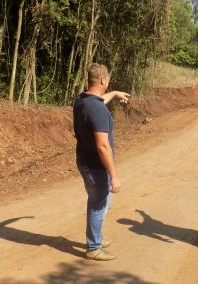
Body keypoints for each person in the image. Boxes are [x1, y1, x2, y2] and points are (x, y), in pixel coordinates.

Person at [73, 63, 130, 261]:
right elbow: (103, 146)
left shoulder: (82, 100)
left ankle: (95, 236)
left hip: (84, 160)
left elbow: (98, 102)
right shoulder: (98, 110)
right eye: (109, 81)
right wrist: (114, 176)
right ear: (103, 80)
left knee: (102, 199)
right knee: (97, 204)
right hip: (96, 165)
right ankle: (93, 247)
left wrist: (113, 94)